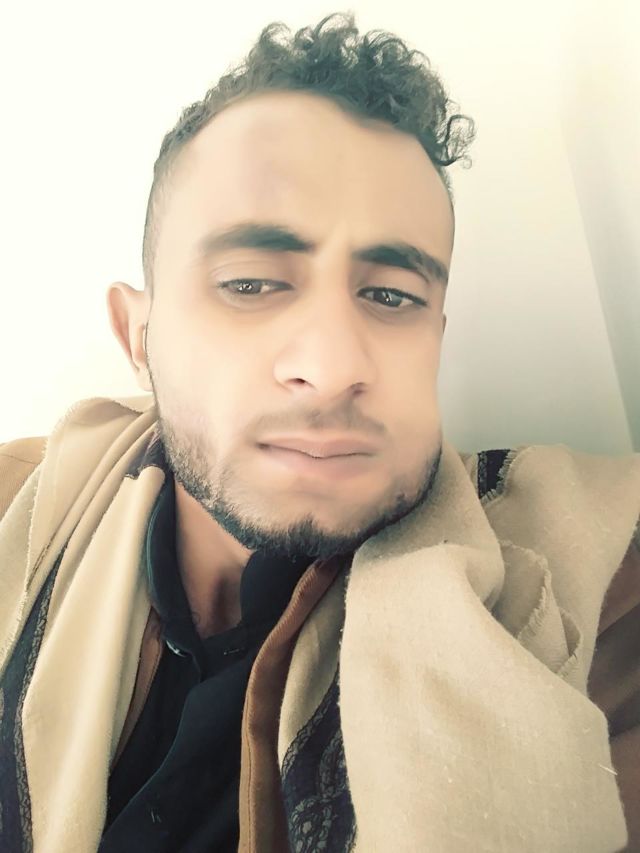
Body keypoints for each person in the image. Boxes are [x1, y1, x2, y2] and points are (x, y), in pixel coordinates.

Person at [0, 10, 639, 853]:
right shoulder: (17, 507)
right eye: (253, 283)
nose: (334, 364)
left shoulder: (580, 594)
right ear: (140, 337)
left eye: (391, 296)